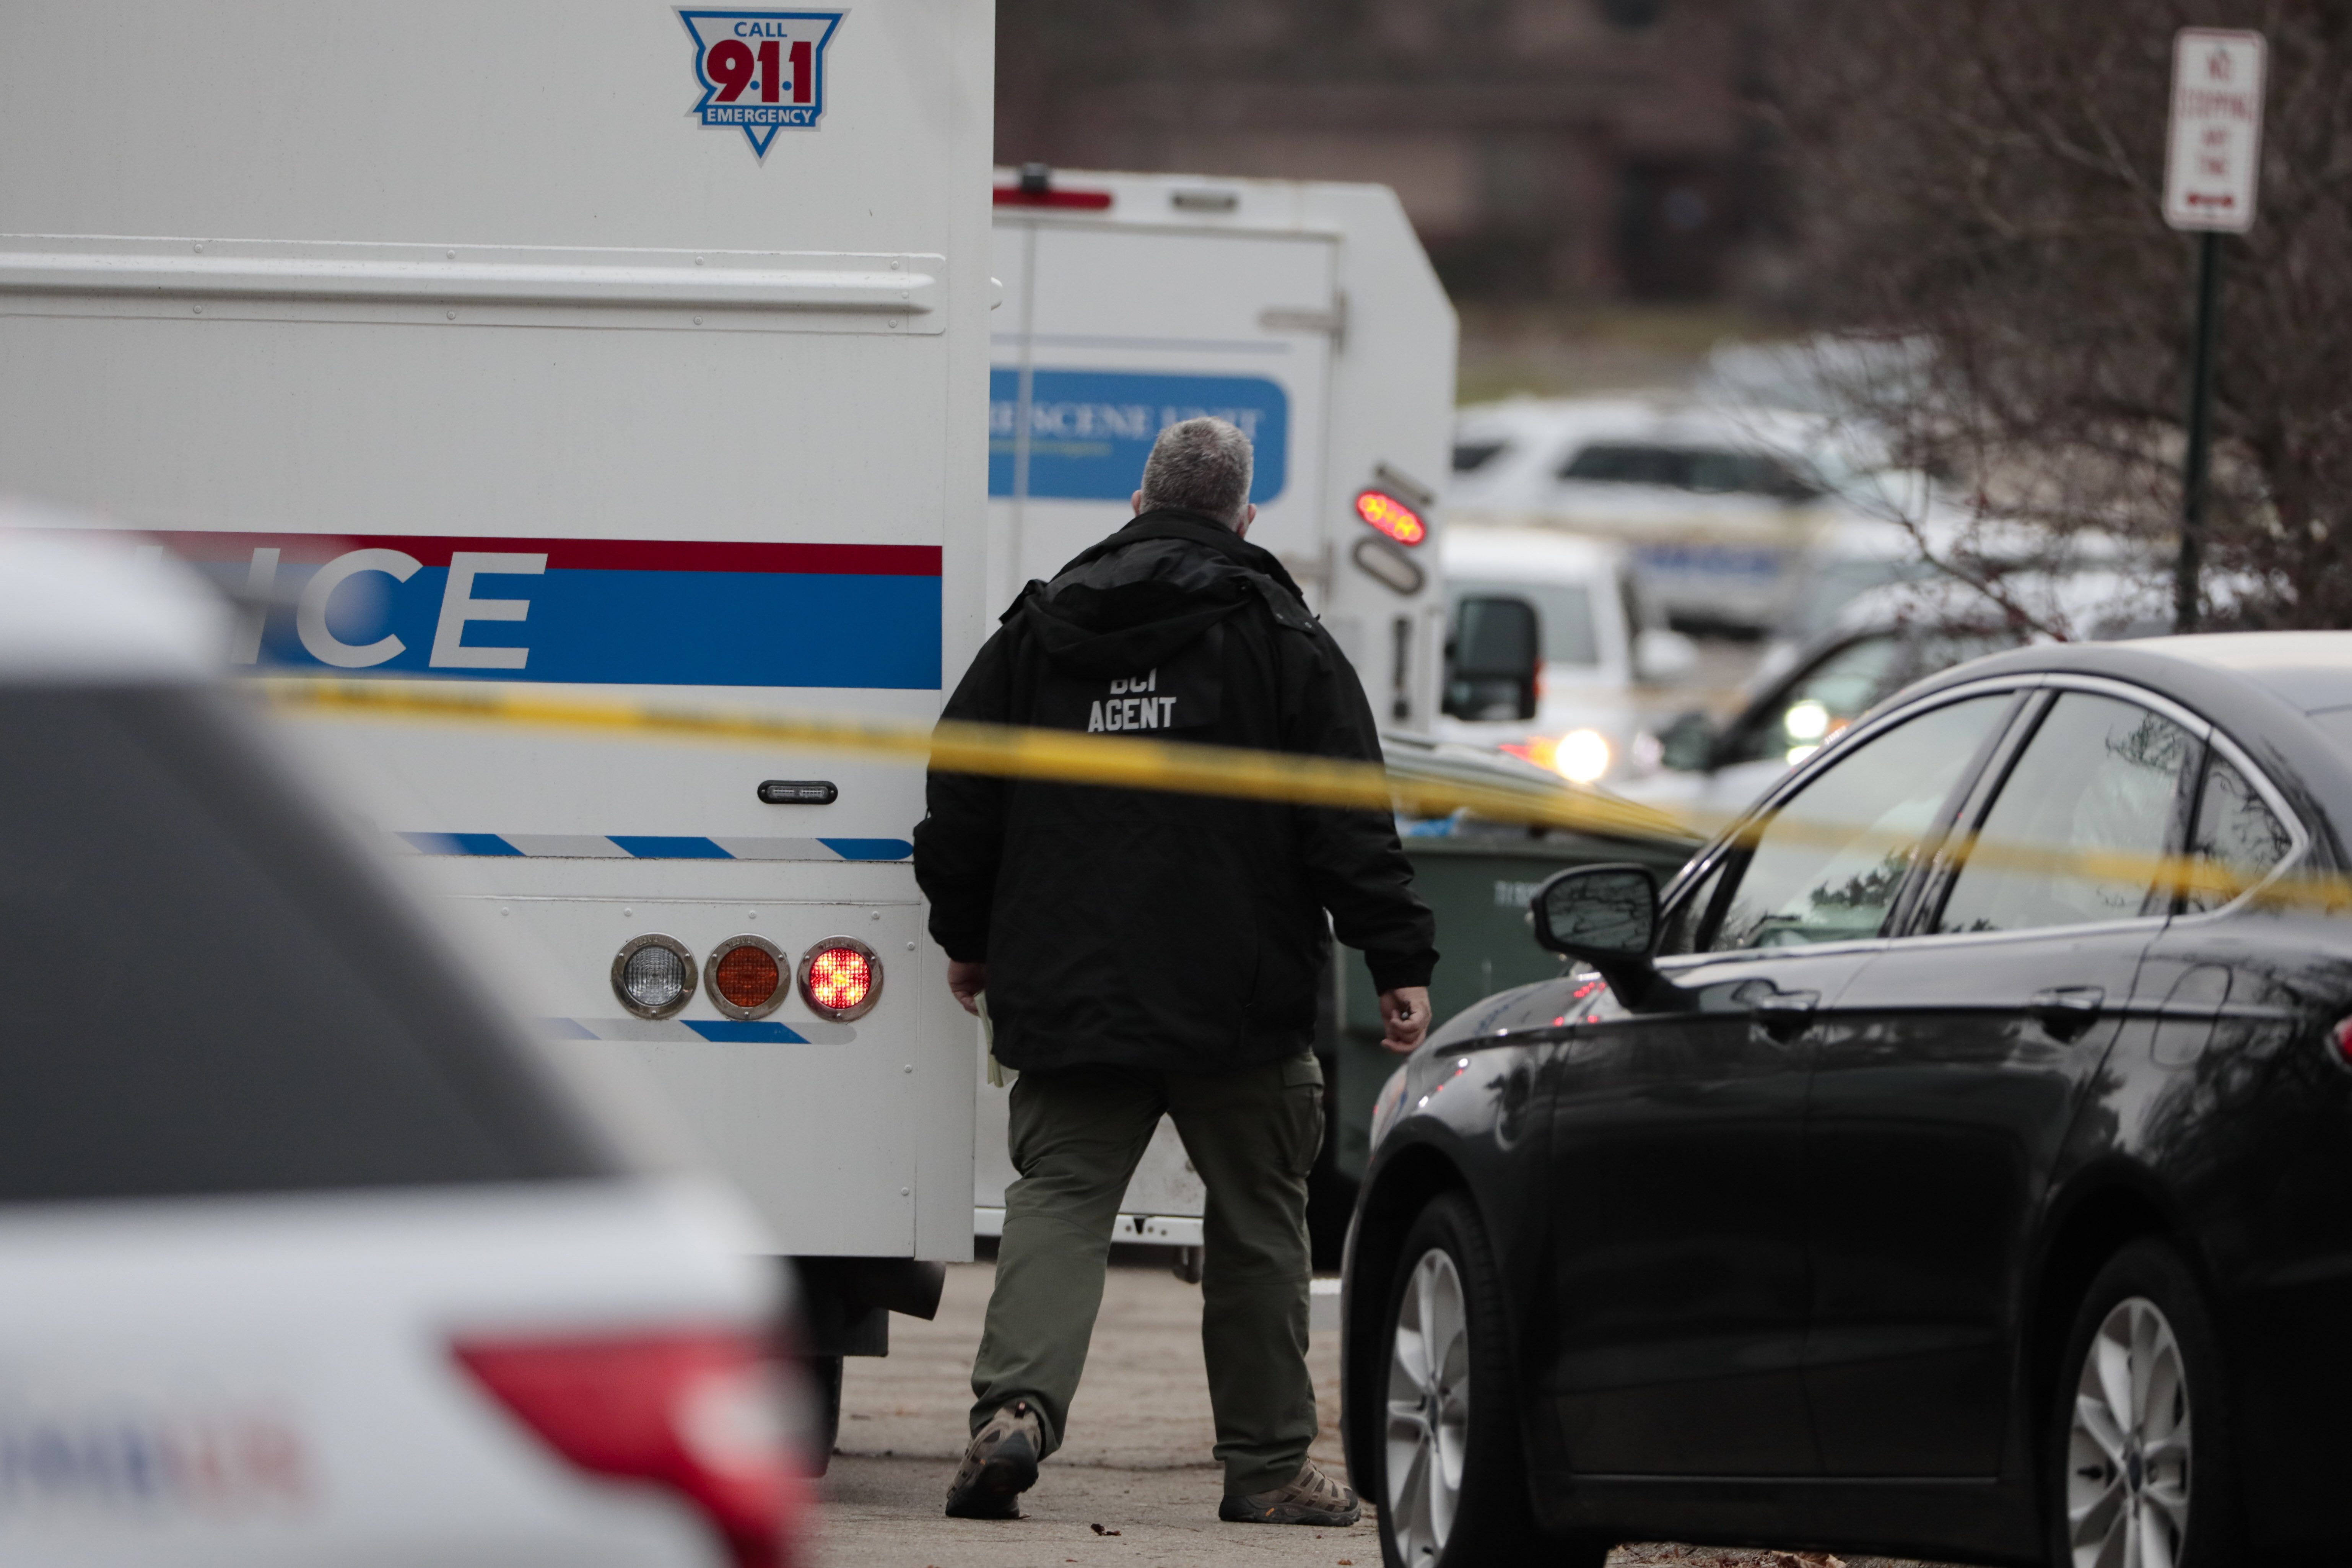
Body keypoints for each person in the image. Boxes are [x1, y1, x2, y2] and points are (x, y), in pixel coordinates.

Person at [913, 416, 1438, 1526]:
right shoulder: (1280, 630)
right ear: (1244, 515)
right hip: (1236, 997)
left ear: (1140, 501)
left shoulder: (1043, 624)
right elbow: (1347, 811)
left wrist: (969, 930)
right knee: (1257, 1218)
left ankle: (1014, 1412)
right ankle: (1266, 1468)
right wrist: (1397, 956)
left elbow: (960, 786)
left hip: (1069, 982)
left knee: (1057, 1200)